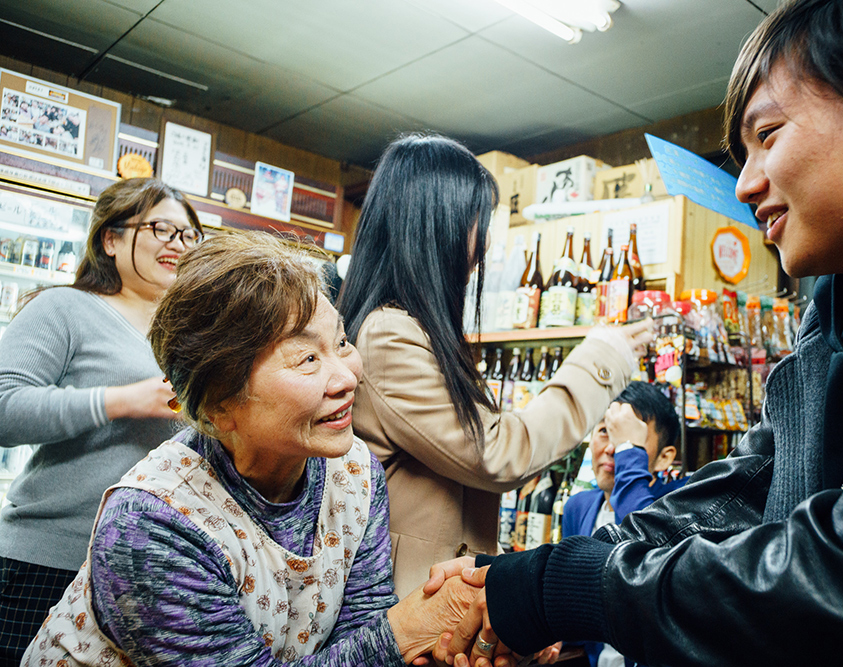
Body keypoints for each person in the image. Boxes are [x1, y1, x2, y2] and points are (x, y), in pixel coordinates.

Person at [435, 1, 843, 665]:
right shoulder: (837, 311)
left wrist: (555, 588)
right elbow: (751, 485)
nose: (745, 185)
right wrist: (531, 578)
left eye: (769, 134)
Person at [21, 231, 491, 667]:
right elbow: (378, 644)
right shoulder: (152, 524)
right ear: (219, 407)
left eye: (342, 342)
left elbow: (358, 637)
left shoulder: (354, 470)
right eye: (307, 358)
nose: (349, 377)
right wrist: (405, 630)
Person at [338, 133, 653, 596]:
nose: (481, 246)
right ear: (435, 225)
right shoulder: (388, 334)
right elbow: (498, 454)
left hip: (430, 600)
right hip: (402, 611)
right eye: (475, 223)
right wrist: (600, 360)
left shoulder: (413, 329)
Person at [0, 178, 202, 662]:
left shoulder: (196, 332)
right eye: (161, 229)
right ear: (110, 240)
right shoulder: (65, 308)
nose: (178, 244)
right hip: (49, 559)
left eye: (189, 234)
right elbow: (5, 407)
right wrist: (121, 400)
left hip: (154, 569)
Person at [560, 381, 685, 667]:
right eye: (605, 431)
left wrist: (630, 450)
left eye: (629, 437)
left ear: (664, 457)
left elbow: (644, 535)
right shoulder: (577, 507)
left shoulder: (673, 507)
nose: (612, 449)